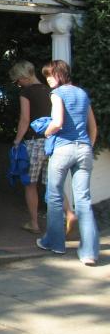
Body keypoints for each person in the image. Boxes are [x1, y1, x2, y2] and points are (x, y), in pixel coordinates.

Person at [37, 60, 99, 265]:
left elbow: (57, 122)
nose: (48, 79)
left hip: (63, 149)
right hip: (84, 149)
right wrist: (87, 146)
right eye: (46, 76)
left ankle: (55, 243)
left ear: (60, 73)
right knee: (83, 200)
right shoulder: (82, 94)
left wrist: (46, 133)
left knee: (54, 196)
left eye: (50, 75)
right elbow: (93, 128)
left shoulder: (57, 94)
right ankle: (89, 252)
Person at [8, 60, 77, 234]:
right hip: (52, 141)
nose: (18, 84)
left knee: (30, 184)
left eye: (17, 80)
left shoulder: (26, 92)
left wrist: (17, 140)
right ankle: (69, 213)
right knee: (53, 183)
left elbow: (25, 119)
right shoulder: (50, 90)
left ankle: (34, 223)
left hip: (34, 142)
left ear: (24, 76)